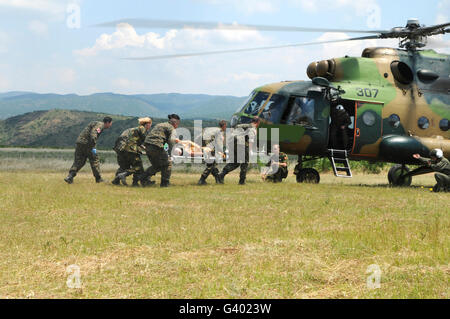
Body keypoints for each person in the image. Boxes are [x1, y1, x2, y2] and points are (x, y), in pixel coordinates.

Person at [64, 117, 113, 184]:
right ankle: (98, 179)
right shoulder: (100, 125)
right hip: (89, 145)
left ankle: (70, 176)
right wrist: (93, 145)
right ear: (107, 123)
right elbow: (93, 133)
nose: (111, 125)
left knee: (79, 161)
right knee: (95, 160)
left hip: (80, 143)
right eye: (111, 123)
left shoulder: (97, 124)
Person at [217, 117, 260, 185]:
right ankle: (242, 181)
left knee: (236, 162)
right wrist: (250, 151)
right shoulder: (252, 128)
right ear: (258, 122)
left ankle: (221, 175)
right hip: (241, 144)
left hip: (232, 142)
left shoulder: (244, 126)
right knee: (244, 162)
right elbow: (251, 140)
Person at [111, 117, 152, 187]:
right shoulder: (142, 128)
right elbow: (146, 140)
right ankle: (125, 176)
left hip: (121, 149)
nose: (150, 126)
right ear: (147, 124)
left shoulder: (134, 129)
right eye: (150, 124)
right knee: (138, 166)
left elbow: (139, 143)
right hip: (130, 149)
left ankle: (116, 181)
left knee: (124, 166)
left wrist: (145, 150)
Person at [142, 114, 181, 187]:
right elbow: (171, 142)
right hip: (156, 146)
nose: (177, 126)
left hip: (147, 145)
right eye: (178, 124)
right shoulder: (171, 128)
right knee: (167, 164)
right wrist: (172, 153)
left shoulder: (160, 125)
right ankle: (165, 183)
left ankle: (143, 178)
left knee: (157, 166)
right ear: (175, 123)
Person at [198, 120, 227, 185]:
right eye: (225, 126)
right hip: (209, 148)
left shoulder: (214, 130)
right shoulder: (219, 131)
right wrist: (222, 152)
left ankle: (218, 179)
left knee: (212, 164)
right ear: (224, 126)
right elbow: (219, 144)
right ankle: (202, 179)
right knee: (211, 164)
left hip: (205, 145)